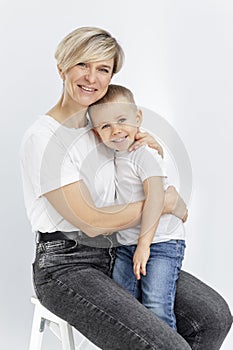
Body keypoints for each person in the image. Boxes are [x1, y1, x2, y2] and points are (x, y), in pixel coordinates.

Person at [19, 26, 232, 349]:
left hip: (119, 252)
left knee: (212, 316)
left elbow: (139, 176)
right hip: (66, 266)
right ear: (61, 67)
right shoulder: (44, 138)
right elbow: (91, 221)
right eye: (82, 65)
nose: (91, 78)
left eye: (102, 69)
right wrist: (163, 203)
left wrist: (142, 144)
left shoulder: (107, 130)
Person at [88, 84, 186, 331]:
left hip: (161, 243)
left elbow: (156, 198)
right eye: (105, 126)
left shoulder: (143, 153)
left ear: (138, 118)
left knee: (156, 307)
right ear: (97, 133)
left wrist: (143, 246)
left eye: (122, 120)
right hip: (126, 243)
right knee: (125, 306)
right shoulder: (116, 154)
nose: (116, 130)